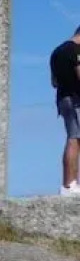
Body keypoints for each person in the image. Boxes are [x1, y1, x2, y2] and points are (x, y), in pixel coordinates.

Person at [52, 26, 80, 195]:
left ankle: (72, 184)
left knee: (74, 137)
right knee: (74, 139)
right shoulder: (75, 50)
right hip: (77, 99)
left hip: (63, 98)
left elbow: (54, 82)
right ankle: (69, 185)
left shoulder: (56, 53)